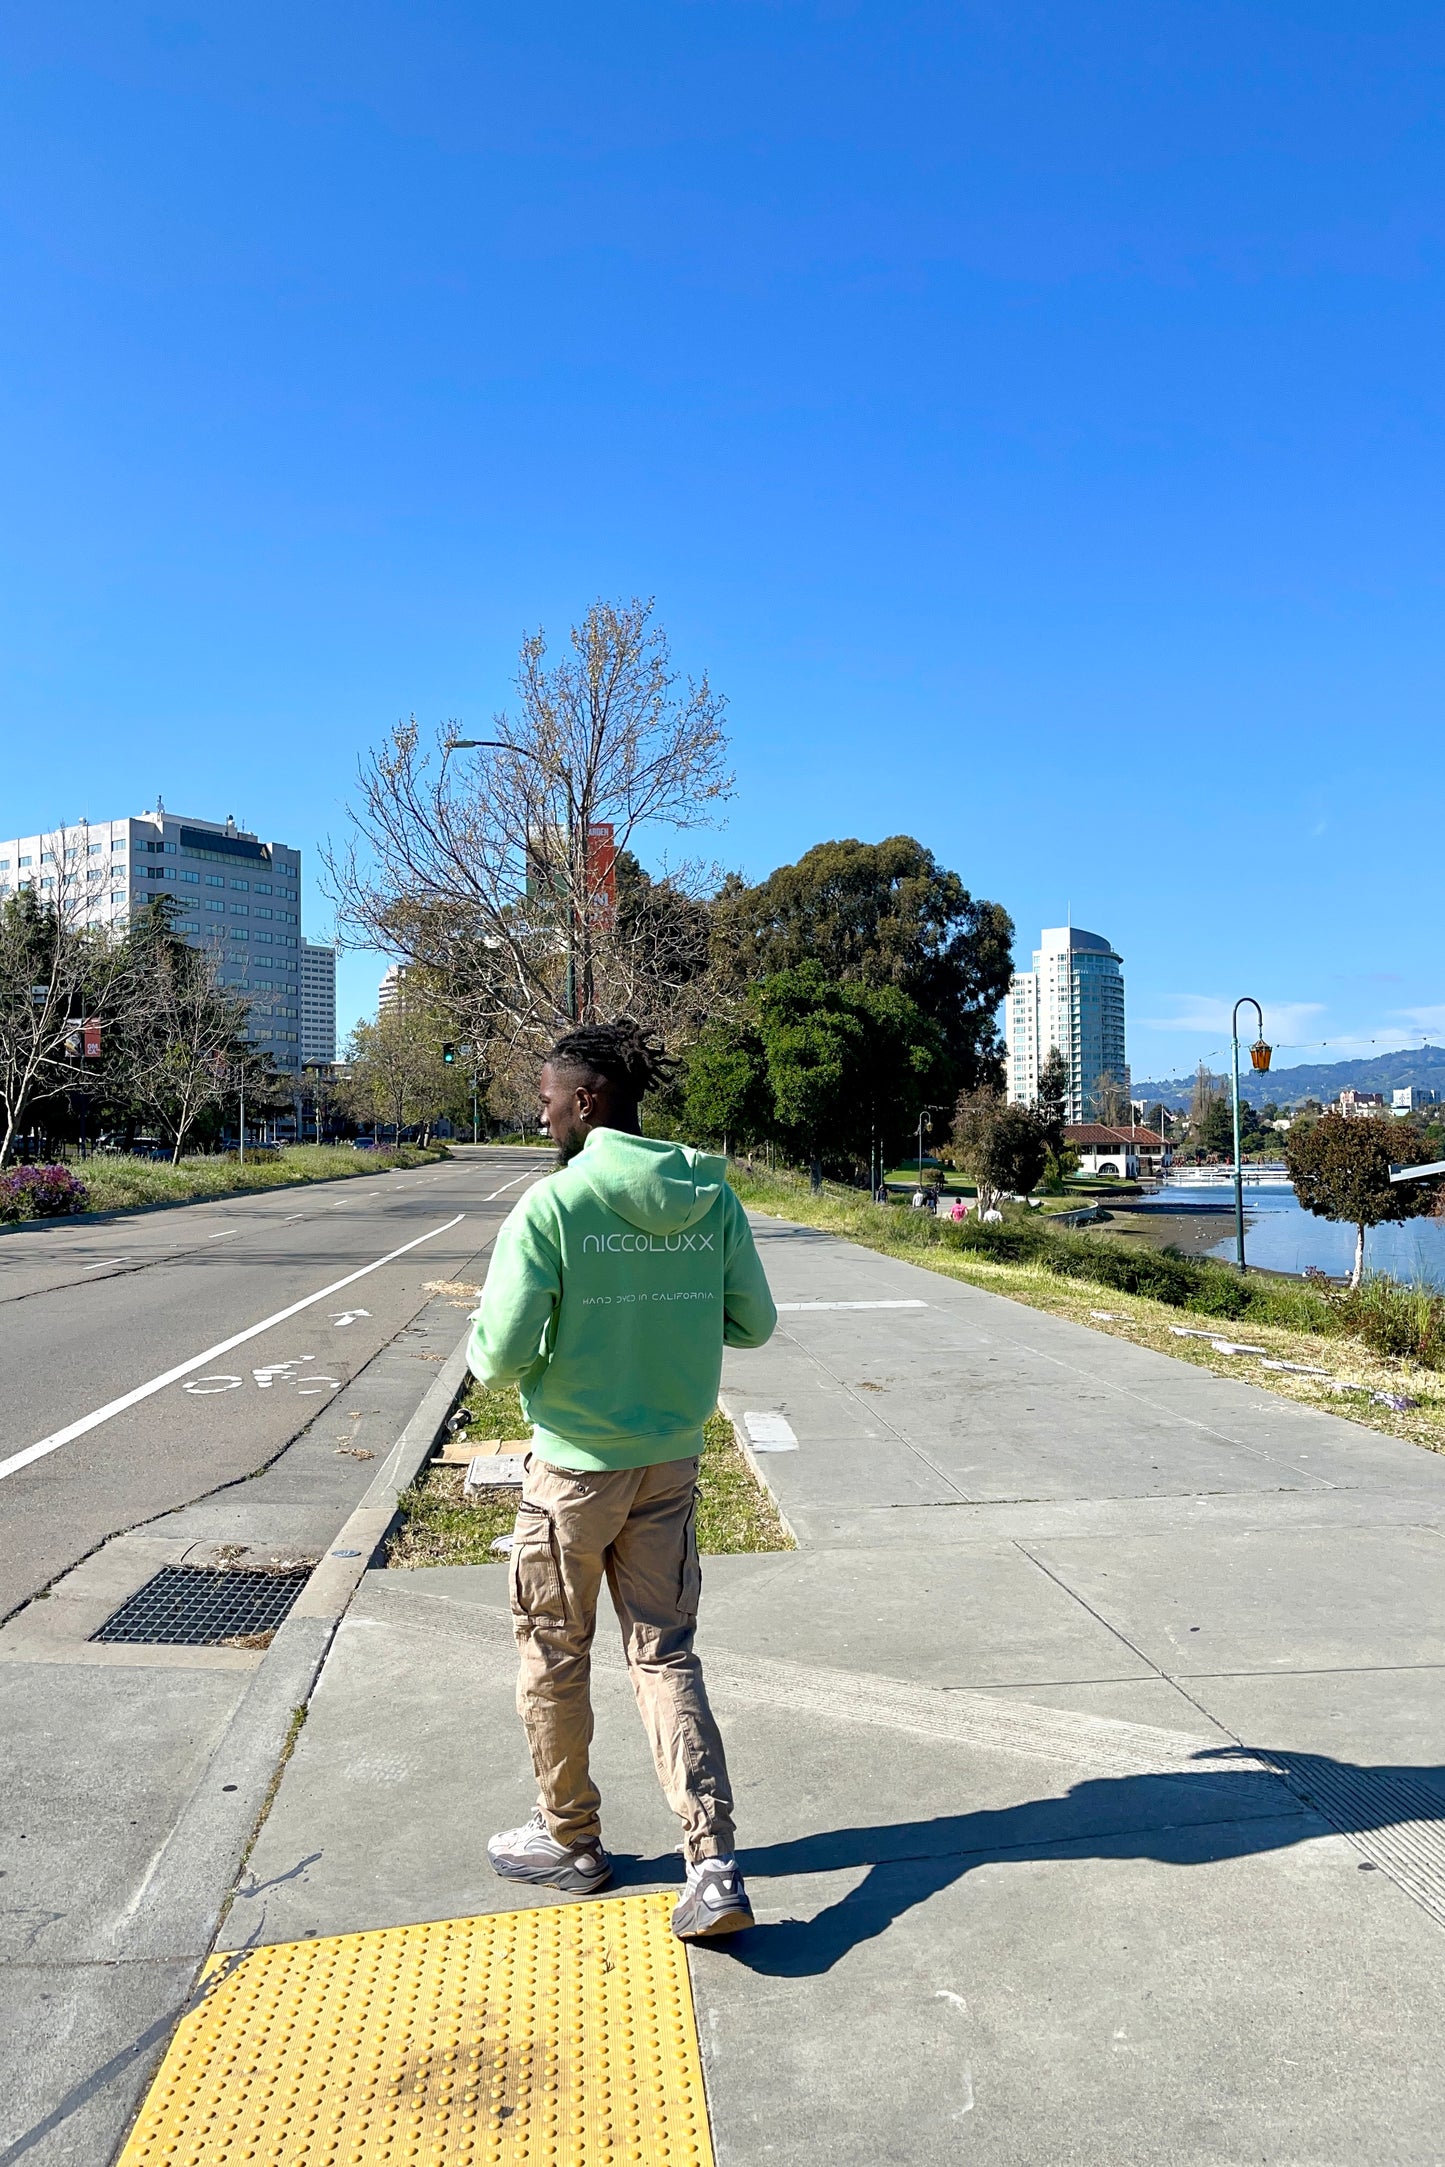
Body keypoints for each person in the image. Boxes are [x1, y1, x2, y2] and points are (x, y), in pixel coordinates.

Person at [468, 1020, 777, 1940]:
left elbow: (497, 1356)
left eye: (547, 1095)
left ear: (587, 1101)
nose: (542, 1109)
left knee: (554, 1652)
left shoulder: (552, 1208)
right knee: (664, 1652)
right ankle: (712, 1863)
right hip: (671, 1463)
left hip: (571, 1470)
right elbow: (752, 1324)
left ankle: (569, 1839)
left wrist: (550, 1354)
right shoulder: (712, 1200)